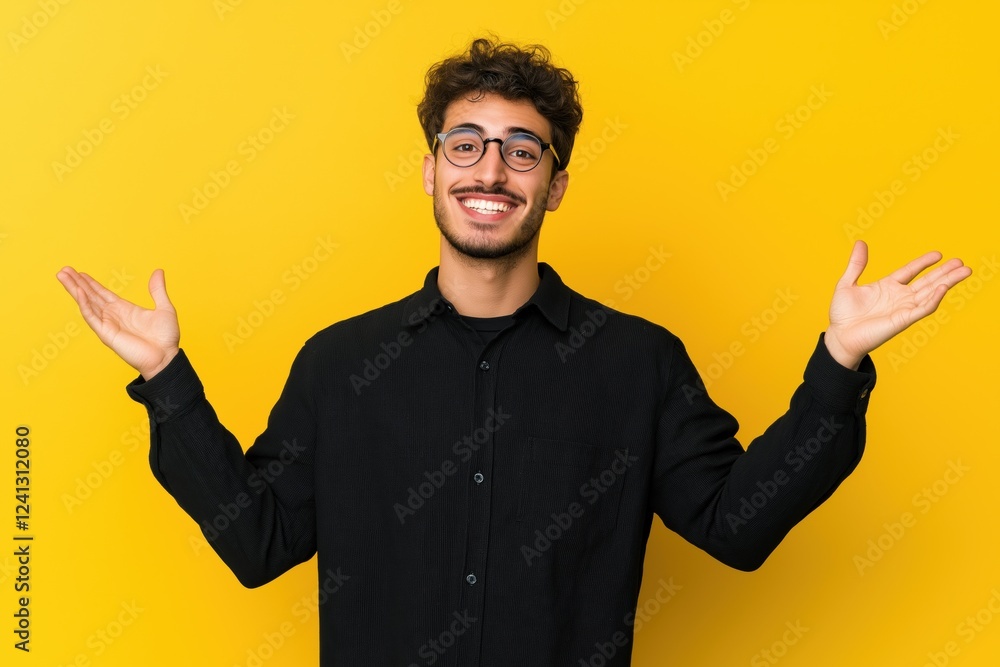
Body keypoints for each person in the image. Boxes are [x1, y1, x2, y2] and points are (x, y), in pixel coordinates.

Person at [57, 37, 971, 666]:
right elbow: (258, 543)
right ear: (431, 168)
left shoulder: (638, 363)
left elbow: (736, 527)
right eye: (467, 144)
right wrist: (166, 381)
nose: (490, 170)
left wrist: (837, 362)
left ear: (555, 184)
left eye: (521, 151)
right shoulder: (340, 364)